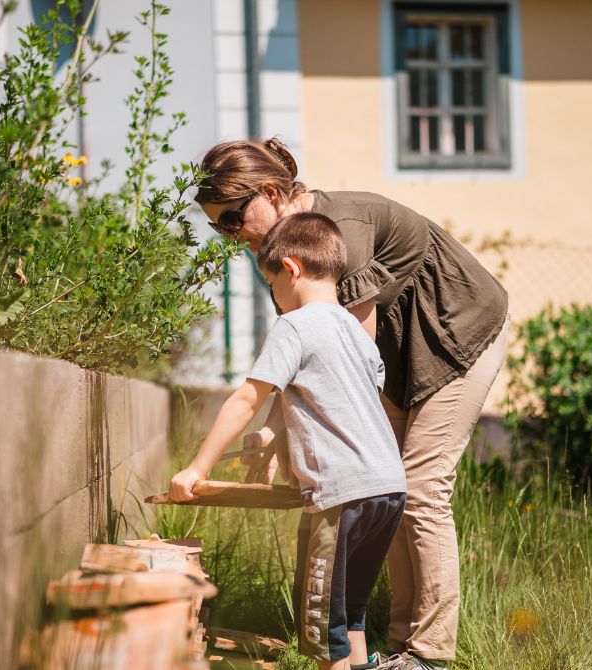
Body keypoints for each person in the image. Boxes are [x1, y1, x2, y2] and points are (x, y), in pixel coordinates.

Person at [193, 138, 510, 669]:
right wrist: (273, 434)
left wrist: (289, 437)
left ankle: (429, 655)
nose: (229, 236)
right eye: (216, 226)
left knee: (422, 485)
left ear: (271, 192)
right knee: (388, 481)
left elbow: (344, 363)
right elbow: (301, 352)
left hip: (457, 329)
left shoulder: (340, 231)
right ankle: (401, 644)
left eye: (232, 219)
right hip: (394, 352)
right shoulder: (283, 249)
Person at [170, 213, 408, 670]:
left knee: (321, 630)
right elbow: (337, 403)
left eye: (271, 282)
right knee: (349, 615)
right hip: (388, 488)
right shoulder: (356, 334)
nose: (274, 294)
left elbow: (246, 399)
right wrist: (278, 441)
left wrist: (196, 469)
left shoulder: (294, 325)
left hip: (342, 495)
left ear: (292, 268)